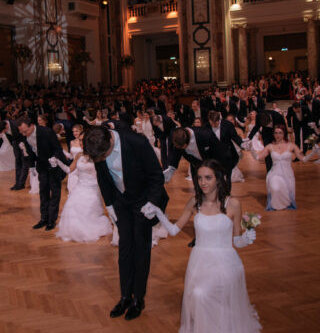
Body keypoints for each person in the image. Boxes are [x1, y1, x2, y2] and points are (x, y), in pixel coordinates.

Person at [141, 159, 261, 333]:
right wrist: (159, 213)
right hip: (200, 263)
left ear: (218, 179)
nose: (203, 182)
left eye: (208, 178)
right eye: (199, 178)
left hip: (226, 263)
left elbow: (237, 242)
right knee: (199, 295)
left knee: (205, 295)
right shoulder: (194, 203)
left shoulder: (232, 204)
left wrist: (246, 239)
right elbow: (174, 231)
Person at [84, 126, 168, 320]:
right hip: (121, 202)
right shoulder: (94, 141)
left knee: (141, 250)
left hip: (142, 201)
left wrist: (152, 203)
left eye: (103, 157)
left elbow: (157, 176)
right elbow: (103, 178)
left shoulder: (137, 142)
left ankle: (138, 298)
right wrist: (110, 205)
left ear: (111, 142)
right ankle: (125, 297)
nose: (101, 161)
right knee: (125, 250)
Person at [51, 136, 112, 243]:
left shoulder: (99, 156)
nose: (80, 143)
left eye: (82, 141)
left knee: (89, 210)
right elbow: (69, 169)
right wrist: (58, 162)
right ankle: (74, 230)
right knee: (71, 206)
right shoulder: (79, 155)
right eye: (80, 141)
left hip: (93, 188)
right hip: (80, 187)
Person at [18, 116, 68, 231]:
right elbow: (31, 152)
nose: (24, 134)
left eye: (25, 131)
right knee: (43, 192)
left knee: (55, 192)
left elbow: (58, 149)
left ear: (31, 126)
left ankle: (51, 220)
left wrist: (55, 159)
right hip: (42, 166)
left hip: (54, 165)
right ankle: (43, 219)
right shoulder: (26, 136)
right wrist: (32, 167)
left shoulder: (46, 132)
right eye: (22, 132)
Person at [250, 124, 312, 211]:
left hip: (288, 174)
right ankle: (275, 205)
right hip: (274, 173)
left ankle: (285, 204)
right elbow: (257, 157)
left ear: (284, 134)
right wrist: (251, 149)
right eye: (275, 133)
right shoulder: (270, 146)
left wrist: (314, 151)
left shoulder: (291, 145)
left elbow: (304, 159)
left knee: (285, 192)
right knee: (275, 187)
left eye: (280, 133)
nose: (277, 135)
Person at [66, 124, 84, 193]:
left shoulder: (84, 142)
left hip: (82, 167)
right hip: (74, 168)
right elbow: (71, 156)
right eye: (73, 132)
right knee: (72, 188)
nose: (74, 133)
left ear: (81, 131)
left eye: (76, 131)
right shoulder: (71, 142)